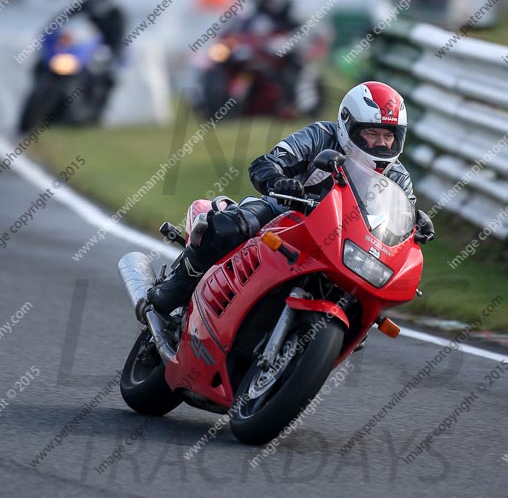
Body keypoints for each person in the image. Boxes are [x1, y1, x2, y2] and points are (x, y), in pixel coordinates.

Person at [146, 81, 435, 319]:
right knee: (229, 227)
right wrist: (278, 179)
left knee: (367, 302)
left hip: (343, 243)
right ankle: (180, 283)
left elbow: (401, 214)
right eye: (372, 132)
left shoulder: (398, 176)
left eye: (388, 135)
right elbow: (267, 162)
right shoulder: (320, 135)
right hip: (285, 213)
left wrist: (415, 223)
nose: (381, 143)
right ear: (349, 125)